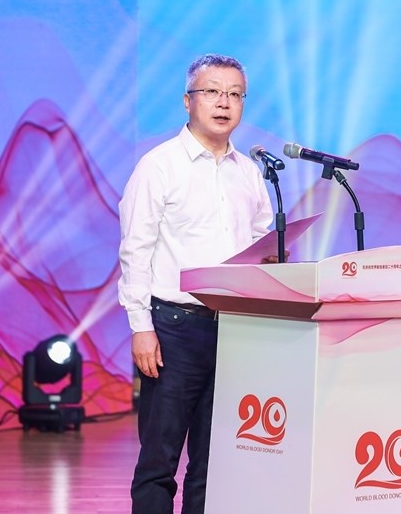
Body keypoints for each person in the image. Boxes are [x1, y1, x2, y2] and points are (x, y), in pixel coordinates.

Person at [118, 54, 274, 513]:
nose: (224, 103)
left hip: (234, 328)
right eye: (212, 92)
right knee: (159, 458)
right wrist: (140, 327)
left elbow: (260, 240)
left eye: (234, 94)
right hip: (174, 328)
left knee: (215, 461)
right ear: (188, 101)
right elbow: (135, 249)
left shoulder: (248, 171)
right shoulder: (159, 165)